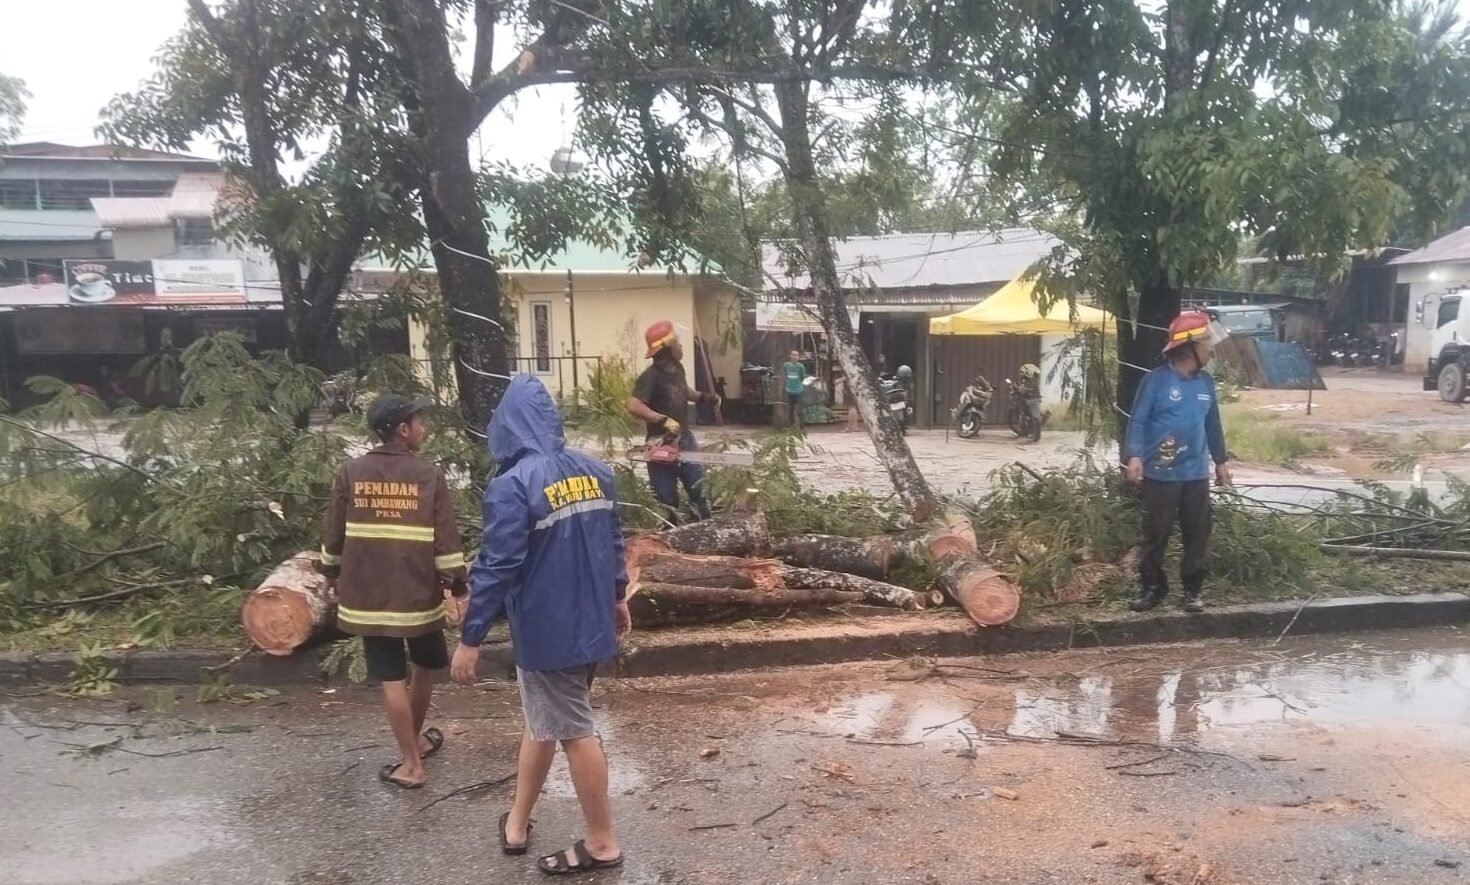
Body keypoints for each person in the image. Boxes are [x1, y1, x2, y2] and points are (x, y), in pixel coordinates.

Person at [451, 375, 629, 875]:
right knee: (544, 721)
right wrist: (616, 598)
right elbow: (615, 540)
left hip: (550, 633)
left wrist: (471, 639)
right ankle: (517, 820)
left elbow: (496, 566)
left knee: (573, 730)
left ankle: (601, 843)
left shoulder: (512, 486)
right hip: (591, 625)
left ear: (505, 425)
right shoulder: (595, 472)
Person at [320, 394, 466, 789]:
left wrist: (330, 572)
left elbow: (334, 534)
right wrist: (458, 585)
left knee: (390, 677)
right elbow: (446, 540)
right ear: (403, 429)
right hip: (417, 594)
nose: (425, 428)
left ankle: (412, 753)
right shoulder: (428, 474)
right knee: (422, 667)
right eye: (420, 421)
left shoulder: (351, 472)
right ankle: (413, 761)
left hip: (370, 597)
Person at [1123, 311, 1232, 614]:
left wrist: (1220, 462)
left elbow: (1213, 425)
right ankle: (1152, 588)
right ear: (1190, 347)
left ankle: (1193, 591)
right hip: (1161, 471)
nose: (1213, 349)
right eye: (1208, 343)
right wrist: (1134, 456)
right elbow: (1139, 421)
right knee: (1156, 533)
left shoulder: (1206, 384)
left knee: (1197, 532)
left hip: (1195, 473)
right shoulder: (1155, 382)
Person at [627, 320, 720, 524]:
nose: (680, 346)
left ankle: (702, 526)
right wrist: (663, 420)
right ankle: (670, 535)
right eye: (677, 343)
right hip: (661, 441)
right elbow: (634, 405)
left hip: (685, 437)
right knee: (666, 499)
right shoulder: (650, 377)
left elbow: (683, 391)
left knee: (698, 488)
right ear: (668, 348)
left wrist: (705, 398)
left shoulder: (677, 369)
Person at [779, 350, 806, 431]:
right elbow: (784, 376)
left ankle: (801, 427)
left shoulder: (801, 367)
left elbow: (802, 377)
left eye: (796, 355)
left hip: (798, 391)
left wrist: (798, 384)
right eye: (793, 355)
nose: (795, 357)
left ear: (798, 357)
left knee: (798, 410)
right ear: (790, 356)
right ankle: (791, 427)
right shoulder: (786, 365)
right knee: (790, 410)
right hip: (789, 390)